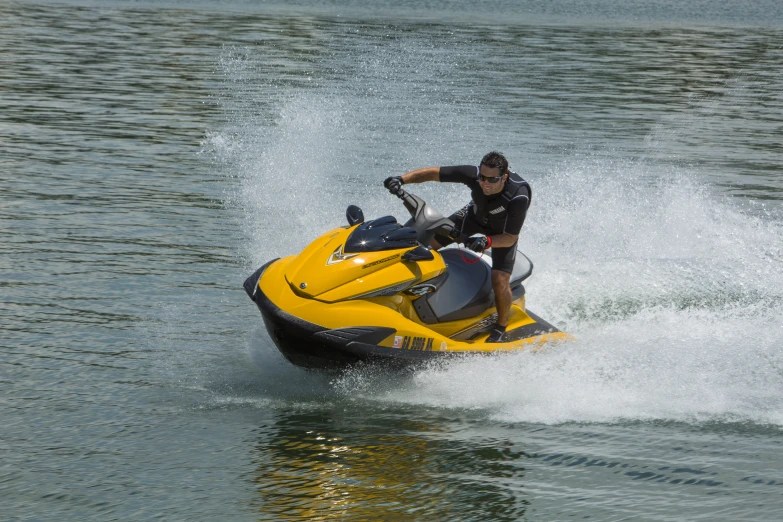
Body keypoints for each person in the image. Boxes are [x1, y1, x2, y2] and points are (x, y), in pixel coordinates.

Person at [383, 151, 531, 343]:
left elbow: (510, 238)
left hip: (500, 234)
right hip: (472, 218)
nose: (485, 183)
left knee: (499, 279)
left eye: (491, 179)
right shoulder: (473, 174)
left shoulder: (519, 196)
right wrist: (401, 179)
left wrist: (487, 241)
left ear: (504, 177)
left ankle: (501, 327)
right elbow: (432, 173)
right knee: (427, 247)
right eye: (482, 177)